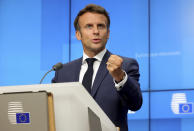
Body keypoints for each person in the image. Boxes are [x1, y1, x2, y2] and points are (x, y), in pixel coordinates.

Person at [52, 4, 142, 131]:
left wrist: (120, 77)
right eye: (89, 26)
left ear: (108, 33)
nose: (96, 31)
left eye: (101, 26)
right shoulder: (62, 72)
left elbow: (135, 104)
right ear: (78, 34)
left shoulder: (125, 65)